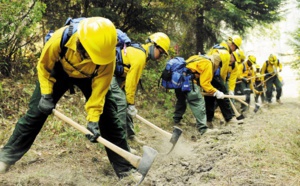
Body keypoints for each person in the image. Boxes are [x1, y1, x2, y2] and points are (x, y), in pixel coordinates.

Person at [0, 17, 137, 179]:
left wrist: (93, 119)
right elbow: (44, 67)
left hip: (89, 77)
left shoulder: (107, 57)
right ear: (82, 43)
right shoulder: (60, 39)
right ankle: (6, 157)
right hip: (59, 71)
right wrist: (45, 95)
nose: (95, 59)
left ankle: (125, 169)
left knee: (109, 119)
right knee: (36, 114)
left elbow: (100, 89)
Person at [113, 32, 170, 143]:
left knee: (124, 102)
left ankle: (131, 136)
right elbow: (131, 82)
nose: (160, 57)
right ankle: (120, 141)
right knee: (121, 103)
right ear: (154, 46)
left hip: (117, 76)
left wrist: (128, 101)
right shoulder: (140, 56)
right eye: (161, 53)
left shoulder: (141, 53)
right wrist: (130, 103)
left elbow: (127, 74)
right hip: (109, 74)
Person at [172, 54, 224, 134]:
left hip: (178, 79)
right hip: (188, 81)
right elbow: (205, 83)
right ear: (216, 64)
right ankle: (203, 129)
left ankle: (176, 121)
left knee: (181, 99)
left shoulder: (199, 57)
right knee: (198, 102)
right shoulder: (208, 64)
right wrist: (216, 92)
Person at [205, 35, 243, 127]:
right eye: (236, 47)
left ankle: (208, 121)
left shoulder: (218, 47)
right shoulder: (225, 53)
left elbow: (232, 79)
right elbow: (223, 73)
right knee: (222, 95)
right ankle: (229, 118)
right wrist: (223, 86)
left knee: (210, 97)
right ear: (232, 44)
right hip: (212, 73)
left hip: (208, 73)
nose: (235, 50)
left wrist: (231, 89)